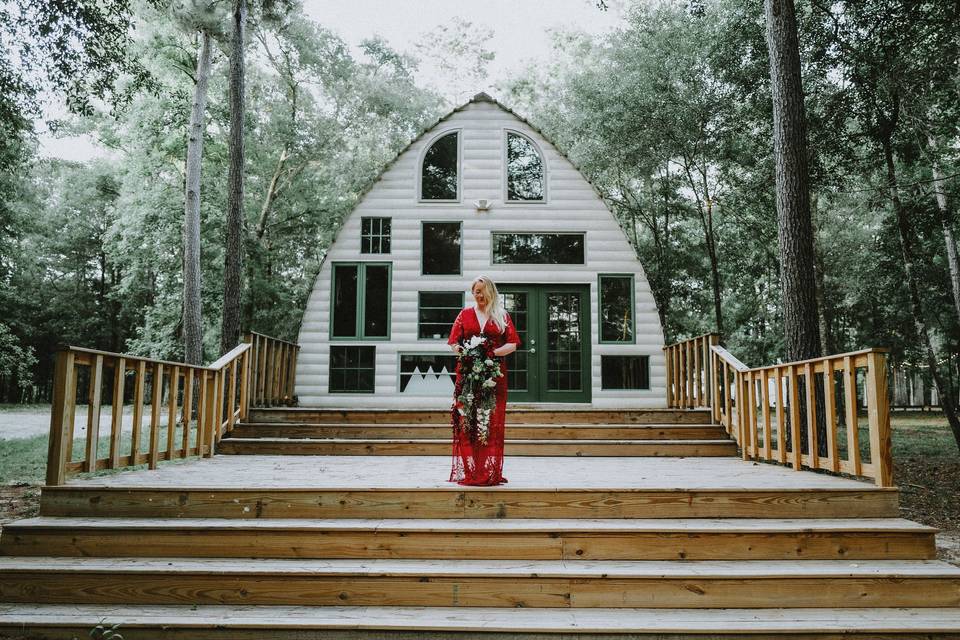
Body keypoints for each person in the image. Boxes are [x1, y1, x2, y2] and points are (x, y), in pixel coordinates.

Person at [446, 275, 521, 485]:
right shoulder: (465, 314)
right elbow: (453, 342)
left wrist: (491, 354)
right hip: (468, 375)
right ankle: (472, 469)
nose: (477, 295)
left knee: (490, 421)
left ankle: (489, 469)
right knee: (467, 420)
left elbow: (513, 343)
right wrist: (465, 352)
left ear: (490, 291)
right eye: (475, 292)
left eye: (481, 291)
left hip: (493, 376)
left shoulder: (502, 316)